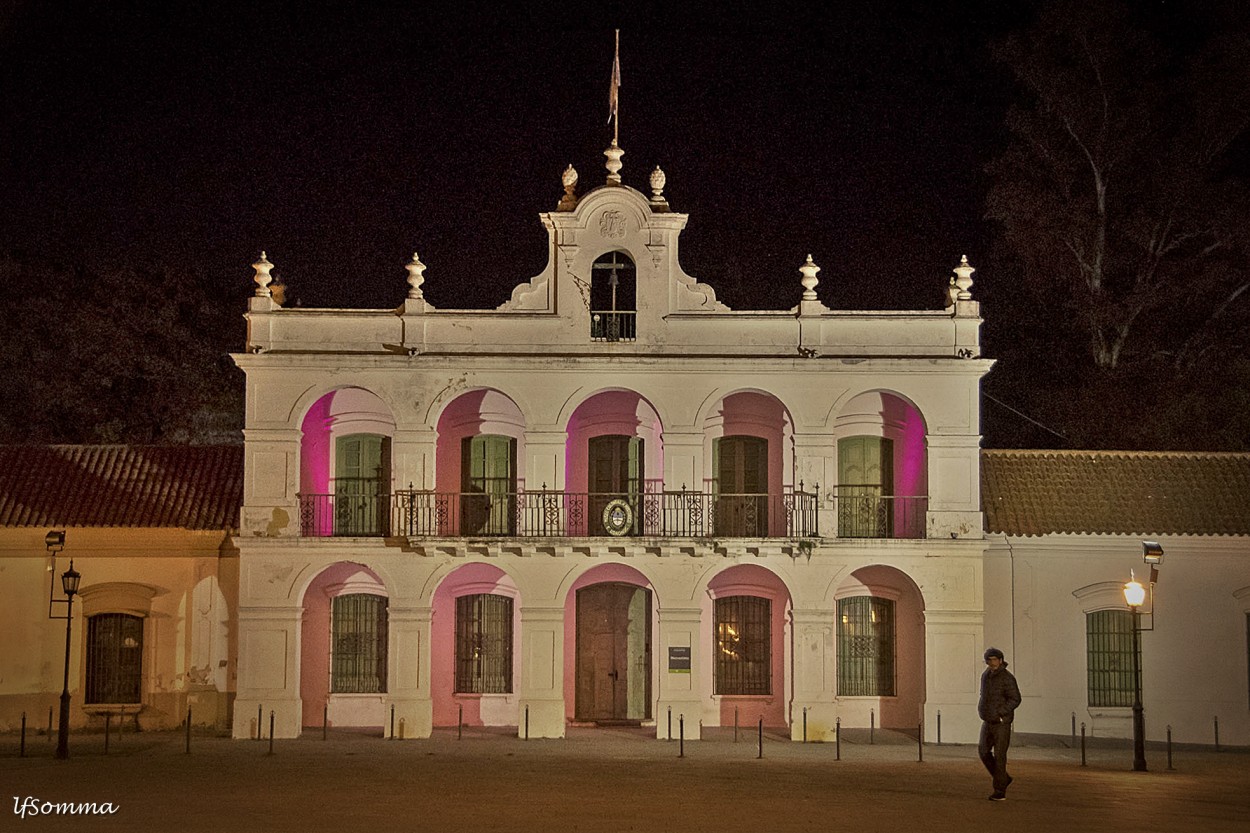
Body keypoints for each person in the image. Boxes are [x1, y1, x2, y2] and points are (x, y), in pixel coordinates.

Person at [978, 647, 1021, 801]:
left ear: (1001, 660)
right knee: (983, 751)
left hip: (1001, 723)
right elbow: (984, 695)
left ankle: (999, 790)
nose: (992, 662)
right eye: (989, 660)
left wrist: (1001, 713)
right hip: (988, 720)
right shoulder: (986, 675)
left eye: (994, 659)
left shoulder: (1007, 678)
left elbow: (1015, 699)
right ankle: (1003, 778)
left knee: (1000, 755)